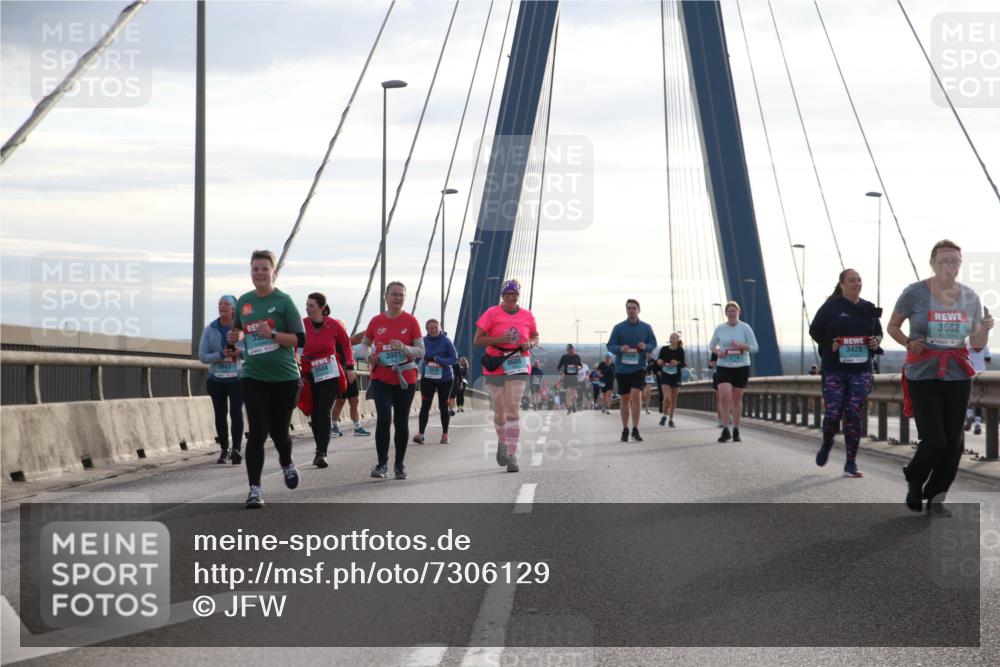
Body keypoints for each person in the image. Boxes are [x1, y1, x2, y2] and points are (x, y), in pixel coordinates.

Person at [888, 240, 993, 514]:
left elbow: (978, 344)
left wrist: (985, 328)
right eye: (944, 261)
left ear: (960, 264)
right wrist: (909, 342)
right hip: (922, 372)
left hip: (958, 373)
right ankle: (914, 476)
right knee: (935, 440)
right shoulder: (914, 293)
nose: (950, 266)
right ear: (933, 263)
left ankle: (936, 498)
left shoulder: (970, 297)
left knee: (954, 444)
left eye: (955, 261)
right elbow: (893, 326)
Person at [227, 250, 305, 509]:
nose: (259, 273)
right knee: (257, 431)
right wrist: (235, 338)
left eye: (264, 268)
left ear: (273, 272)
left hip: (284, 377)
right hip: (253, 376)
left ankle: (286, 462)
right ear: (250, 273)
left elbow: (300, 340)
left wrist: (272, 334)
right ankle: (255, 489)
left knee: (279, 431)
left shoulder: (284, 301)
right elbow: (238, 330)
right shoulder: (244, 302)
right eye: (255, 269)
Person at [809, 269, 883, 478]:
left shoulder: (868, 308)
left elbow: (878, 333)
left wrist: (875, 341)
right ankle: (827, 441)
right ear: (842, 284)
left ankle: (851, 462)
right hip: (835, 369)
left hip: (861, 370)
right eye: (852, 281)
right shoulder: (831, 306)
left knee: (853, 414)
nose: (856, 284)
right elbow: (814, 330)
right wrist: (828, 343)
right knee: (833, 415)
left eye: (859, 280)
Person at [360, 281, 424, 480]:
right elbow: (364, 345)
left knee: (401, 421)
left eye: (401, 295)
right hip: (381, 377)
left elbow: (421, 351)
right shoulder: (376, 321)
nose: (397, 298)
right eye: (394, 294)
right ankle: (381, 465)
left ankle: (399, 465)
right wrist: (367, 356)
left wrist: (404, 348)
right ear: (385, 297)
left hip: (406, 378)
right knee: (384, 419)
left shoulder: (411, 321)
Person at [475, 279, 539, 473]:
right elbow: (477, 340)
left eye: (514, 294)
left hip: (519, 362)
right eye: (507, 294)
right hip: (496, 364)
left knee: (513, 407)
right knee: (500, 410)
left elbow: (535, 335)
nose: (511, 297)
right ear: (502, 296)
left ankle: (512, 453)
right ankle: (502, 442)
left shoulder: (527, 315)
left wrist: (531, 343)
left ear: (518, 296)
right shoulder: (491, 313)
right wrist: (498, 339)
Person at [300, 293, 353, 469]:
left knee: (323, 411)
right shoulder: (303, 324)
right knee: (314, 413)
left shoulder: (333, 324)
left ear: (322, 308)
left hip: (329, 372)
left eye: (311, 305)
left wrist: (350, 366)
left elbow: (346, 346)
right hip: (309, 372)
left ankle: (321, 452)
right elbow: (293, 343)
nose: (307, 308)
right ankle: (319, 447)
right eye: (306, 305)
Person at [198, 294, 245, 465]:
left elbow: (252, 350)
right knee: (220, 414)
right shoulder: (210, 329)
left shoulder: (241, 329)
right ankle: (224, 450)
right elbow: (202, 356)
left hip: (237, 377)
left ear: (234, 308)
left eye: (226, 304)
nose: (222, 306)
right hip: (216, 379)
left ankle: (237, 449)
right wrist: (220, 355)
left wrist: (241, 353)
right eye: (220, 304)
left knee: (236, 411)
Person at [606, 299, 658, 443]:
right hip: (622, 368)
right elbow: (610, 346)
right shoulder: (618, 328)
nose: (631, 310)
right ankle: (625, 429)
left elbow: (653, 344)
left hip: (639, 367)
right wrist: (619, 349)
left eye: (634, 308)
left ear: (639, 310)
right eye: (629, 308)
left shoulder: (646, 327)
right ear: (626, 310)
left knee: (636, 395)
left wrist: (645, 346)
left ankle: (635, 429)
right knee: (625, 399)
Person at [709, 301, 759, 443]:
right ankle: (725, 429)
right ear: (726, 313)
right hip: (724, 365)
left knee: (736, 400)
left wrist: (741, 346)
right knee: (724, 396)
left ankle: (736, 429)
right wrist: (718, 352)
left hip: (741, 366)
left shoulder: (745, 328)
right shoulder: (720, 328)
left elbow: (755, 348)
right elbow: (712, 345)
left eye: (734, 311)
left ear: (738, 313)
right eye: (729, 311)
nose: (731, 313)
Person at [414, 319, 458, 445]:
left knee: (443, 406)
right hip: (428, 378)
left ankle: (445, 435)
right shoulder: (423, 341)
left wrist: (438, 359)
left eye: (435, 327)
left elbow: (454, 359)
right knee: (425, 406)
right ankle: (421, 434)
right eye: (430, 328)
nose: (433, 330)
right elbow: (416, 355)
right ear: (427, 330)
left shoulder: (446, 341)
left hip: (444, 379)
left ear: (440, 328)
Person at [330, 335, 371, 438]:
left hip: (350, 375)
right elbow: (356, 338)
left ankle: (357, 427)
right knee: (340, 401)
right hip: (341, 375)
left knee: (354, 401)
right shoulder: (336, 342)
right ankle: (334, 427)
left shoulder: (345, 342)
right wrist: (369, 331)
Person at [657, 332, 686, 427]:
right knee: (667, 398)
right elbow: (659, 361)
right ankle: (664, 415)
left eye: (674, 337)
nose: (672, 339)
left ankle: (671, 419)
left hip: (676, 376)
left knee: (673, 400)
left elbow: (683, 364)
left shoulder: (680, 350)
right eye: (671, 337)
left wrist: (677, 363)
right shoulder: (664, 349)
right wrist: (660, 362)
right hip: (666, 376)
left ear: (678, 340)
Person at [966, 344, 991, 435]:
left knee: (968, 398)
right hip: (981, 375)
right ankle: (977, 424)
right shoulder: (984, 345)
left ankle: (969, 415)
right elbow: (988, 359)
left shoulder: (966, 344)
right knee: (978, 400)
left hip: (969, 373)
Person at [557, 344, 582, 415]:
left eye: (572, 349)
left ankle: (573, 404)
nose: (571, 351)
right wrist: (560, 372)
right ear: (567, 350)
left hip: (574, 378)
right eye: (569, 350)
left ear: (574, 350)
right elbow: (559, 366)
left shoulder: (577, 357)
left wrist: (578, 368)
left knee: (574, 395)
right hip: (567, 378)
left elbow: (580, 365)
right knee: (568, 393)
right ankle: (569, 408)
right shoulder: (564, 357)